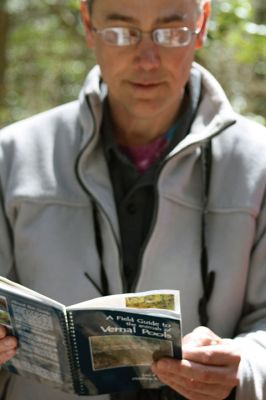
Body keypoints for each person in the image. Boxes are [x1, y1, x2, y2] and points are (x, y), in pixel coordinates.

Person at [0, 0, 265, 398]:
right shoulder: (13, 156)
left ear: (202, 23)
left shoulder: (258, 163)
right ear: (89, 25)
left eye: (170, 33)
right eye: (121, 33)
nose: (147, 59)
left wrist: (243, 366)